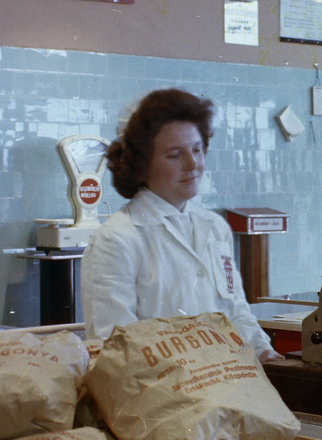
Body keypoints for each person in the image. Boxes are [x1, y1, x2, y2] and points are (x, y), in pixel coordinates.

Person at [81, 88, 279, 360]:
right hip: (159, 386)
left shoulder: (215, 227)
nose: (192, 163)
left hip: (226, 380)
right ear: (141, 164)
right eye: (175, 155)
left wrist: (265, 353)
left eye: (197, 149)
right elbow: (115, 348)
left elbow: (236, 312)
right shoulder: (116, 239)